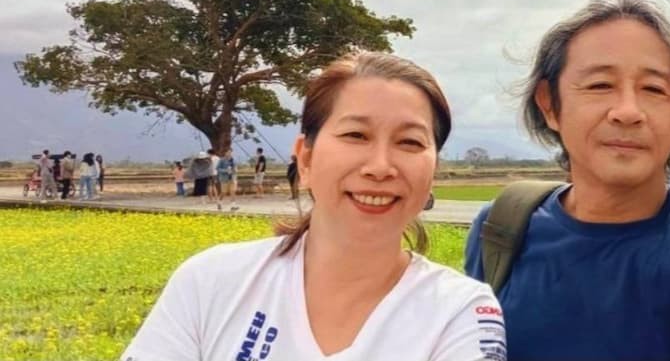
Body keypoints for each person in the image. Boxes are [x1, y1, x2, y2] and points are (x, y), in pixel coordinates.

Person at [464, 0, 670, 361]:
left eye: (653, 89)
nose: (628, 111)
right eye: (600, 85)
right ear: (549, 104)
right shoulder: (500, 229)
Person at [123, 52, 504, 360]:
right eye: (356, 135)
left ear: (433, 170)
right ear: (305, 158)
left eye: (410, 142)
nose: (380, 167)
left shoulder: (461, 312)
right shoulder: (211, 281)